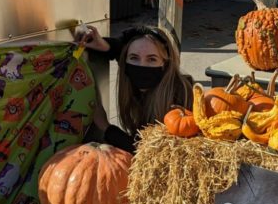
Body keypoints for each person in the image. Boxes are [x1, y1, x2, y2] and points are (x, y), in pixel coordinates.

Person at [72, 24, 194, 153]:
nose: (142, 66)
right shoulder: (136, 77)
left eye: (152, 59)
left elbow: (153, 155)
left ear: (165, 63)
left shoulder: (180, 93)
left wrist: (106, 127)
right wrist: (104, 45)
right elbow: (123, 51)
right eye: (134, 58)